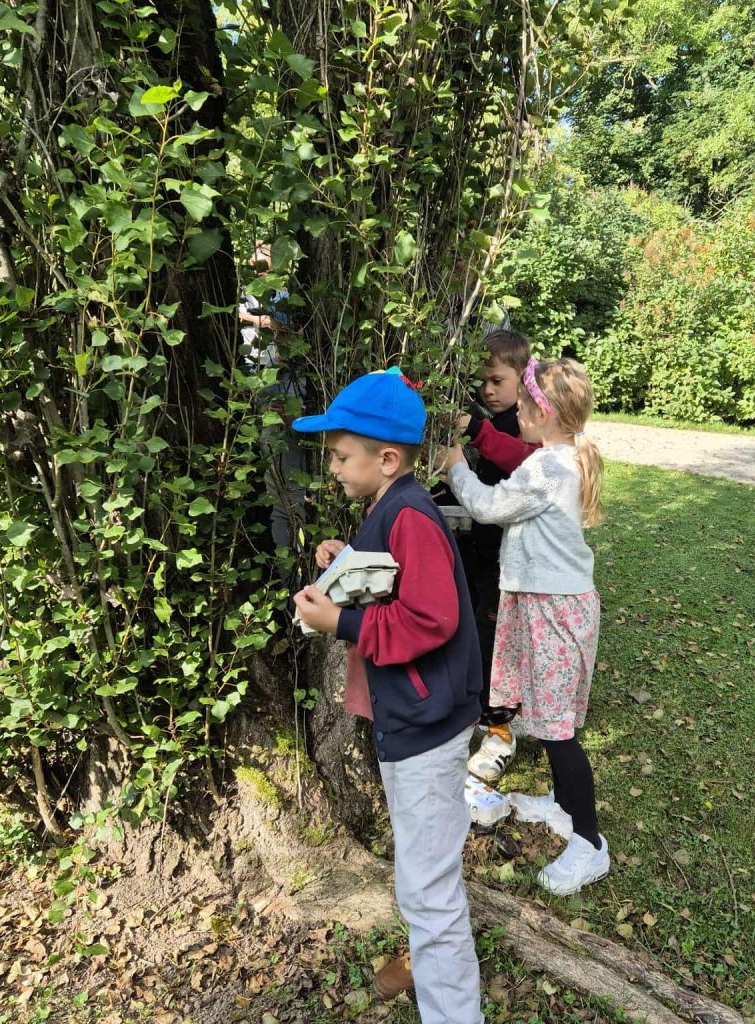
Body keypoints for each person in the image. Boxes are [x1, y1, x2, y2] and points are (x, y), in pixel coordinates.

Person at [290, 367, 484, 1024]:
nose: (334, 469)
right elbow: (397, 581)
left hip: (427, 726)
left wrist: (340, 622)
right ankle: (431, 966)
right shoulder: (387, 509)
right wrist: (349, 559)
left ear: (388, 459)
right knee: (422, 874)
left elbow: (432, 618)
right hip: (412, 719)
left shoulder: (410, 516)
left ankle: (452, 1009)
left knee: (429, 891)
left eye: (341, 457)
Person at [442, 357, 609, 896]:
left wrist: (455, 466)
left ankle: (589, 843)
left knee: (558, 732)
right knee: (547, 715)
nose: (515, 413)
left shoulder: (547, 469)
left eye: (522, 406)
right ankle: (562, 805)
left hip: (553, 608)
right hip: (547, 603)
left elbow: (488, 507)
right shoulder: (558, 458)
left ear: (546, 412)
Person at [456, 330, 533, 782]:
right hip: (481, 548)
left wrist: (477, 431)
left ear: (524, 378)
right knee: (473, 626)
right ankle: (478, 710)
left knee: (495, 638)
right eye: (481, 381)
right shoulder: (497, 418)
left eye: (497, 381)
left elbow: (520, 459)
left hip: (507, 561)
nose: (487, 390)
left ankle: (501, 728)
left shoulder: (526, 426)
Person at [238, 241, 307, 583]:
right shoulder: (244, 294)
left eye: (266, 253)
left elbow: (293, 340)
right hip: (260, 396)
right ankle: (289, 582)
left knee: (294, 498)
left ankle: (299, 579)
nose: (259, 260)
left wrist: (267, 322)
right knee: (280, 498)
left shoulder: (287, 295)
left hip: (290, 395)